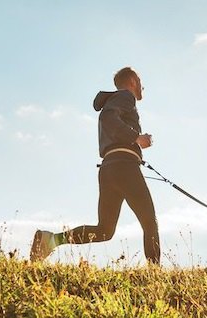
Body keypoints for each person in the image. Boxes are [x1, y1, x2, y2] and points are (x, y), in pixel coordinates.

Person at [29, 67, 160, 264]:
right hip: (124, 167)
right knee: (149, 221)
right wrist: (136, 138)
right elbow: (107, 117)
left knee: (105, 231)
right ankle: (155, 276)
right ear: (132, 81)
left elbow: (109, 120)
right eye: (140, 81)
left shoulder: (116, 99)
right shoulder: (125, 96)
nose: (143, 86)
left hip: (109, 168)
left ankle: (50, 240)